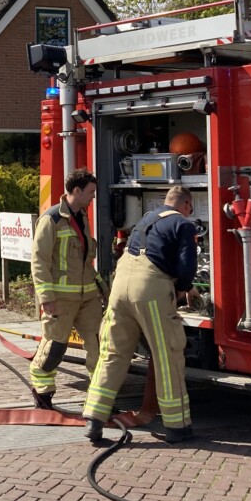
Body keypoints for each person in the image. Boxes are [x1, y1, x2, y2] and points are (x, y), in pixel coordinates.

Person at [82, 185, 200, 446]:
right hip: (150, 290)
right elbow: (187, 266)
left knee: (113, 353)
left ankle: (94, 418)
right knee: (167, 355)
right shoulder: (184, 225)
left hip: (121, 286)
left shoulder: (147, 219)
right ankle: (177, 427)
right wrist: (184, 288)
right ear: (187, 205)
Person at [28, 168, 105, 410]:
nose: (94, 196)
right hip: (60, 300)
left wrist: (101, 288)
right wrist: (46, 297)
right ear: (76, 191)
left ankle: (99, 398)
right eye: (91, 192)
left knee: (99, 346)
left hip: (88, 298)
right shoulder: (51, 220)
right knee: (54, 348)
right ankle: (43, 391)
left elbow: (85, 259)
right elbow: (38, 260)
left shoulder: (83, 216)